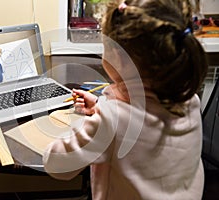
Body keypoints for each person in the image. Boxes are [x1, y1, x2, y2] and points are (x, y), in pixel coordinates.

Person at [43, 0, 208, 199]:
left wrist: (92, 122)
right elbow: (141, 127)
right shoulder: (190, 102)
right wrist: (99, 107)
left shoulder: (111, 121)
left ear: (117, 58)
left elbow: (56, 164)